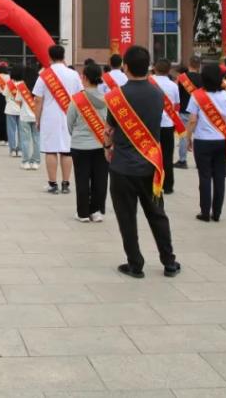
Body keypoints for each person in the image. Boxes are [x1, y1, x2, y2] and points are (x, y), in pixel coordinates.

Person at [105, 45, 180, 278]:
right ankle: (169, 262)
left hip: (122, 166)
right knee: (157, 215)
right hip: (150, 165)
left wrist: (107, 148)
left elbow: (109, 130)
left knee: (126, 218)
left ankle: (135, 264)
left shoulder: (116, 96)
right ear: (148, 66)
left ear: (125, 67)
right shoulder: (158, 94)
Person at [186, 63, 226, 222]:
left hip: (202, 141)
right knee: (220, 177)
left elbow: (192, 120)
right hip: (221, 141)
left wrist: (188, 138)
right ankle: (217, 213)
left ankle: (205, 212)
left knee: (204, 177)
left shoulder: (196, 96)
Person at [32, 44, 83, 194]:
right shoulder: (73, 74)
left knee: (51, 150)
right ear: (63, 56)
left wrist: (37, 119)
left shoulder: (44, 75)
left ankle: (53, 184)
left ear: (50, 57)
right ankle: (66, 184)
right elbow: (80, 96)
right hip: (70, 116)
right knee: (67, 151)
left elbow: (38, 100)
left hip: (49, 117)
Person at [67, 63, 108, 222]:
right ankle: (96, 211)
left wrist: (77, 135)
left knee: (82, 179)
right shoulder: (107, 99)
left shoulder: (76, 99)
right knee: (100, 179)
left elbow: (70, 123)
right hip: (101, 145)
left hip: (80, 145)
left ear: (84, 77)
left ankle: (83, 213)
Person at [151, 59, 181, 194]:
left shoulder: (149, 82)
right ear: (169, 70)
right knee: (167, 157)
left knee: (151, 156)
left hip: (151, 124)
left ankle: (152, 184)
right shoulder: (173, 86)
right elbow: (177, 106)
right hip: (168, 125)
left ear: (155, 68)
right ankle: (168, 186)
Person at [174, 56, 202, 169]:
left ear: (189, 64)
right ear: (199, 66)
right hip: (199, 112)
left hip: (184, 110)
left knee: (184, 136)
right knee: (199, 137)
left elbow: (175, 92)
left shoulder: (181, 78)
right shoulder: (203, 78)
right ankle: (200, 162)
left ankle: (182, 160)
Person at [14, 65, 41, 170]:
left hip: (24, 116)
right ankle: (36, 162)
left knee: (25, 140)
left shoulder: (21, 86)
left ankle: (25, 162)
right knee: (37, 139)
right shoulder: (39, 85)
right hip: (37, 116)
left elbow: (18, 101)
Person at [3, 64, 22, 157]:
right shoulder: (24, 84)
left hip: (10, 108)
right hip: (22, 109)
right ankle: (20, 149)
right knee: (21, 130)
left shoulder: (9, 83)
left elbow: (5, 95)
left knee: (11, 130)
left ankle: (13, 150)